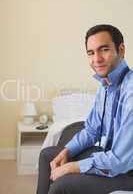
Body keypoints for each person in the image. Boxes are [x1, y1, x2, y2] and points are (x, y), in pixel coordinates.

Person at [36, 24, 133, 194]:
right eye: (91, 53)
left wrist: (71, 168)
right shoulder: (105, 86)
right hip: (110, 157)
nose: (97, 59)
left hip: (127, 171)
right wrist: (66, 151)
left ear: (121, 49)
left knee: (62, 185)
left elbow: (120, 161)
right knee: (47, 156)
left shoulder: (130, 91)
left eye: (104, 50)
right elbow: (91, 130)